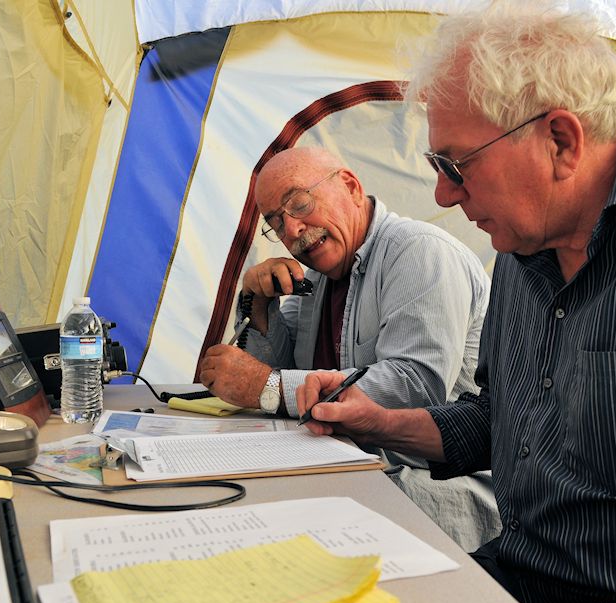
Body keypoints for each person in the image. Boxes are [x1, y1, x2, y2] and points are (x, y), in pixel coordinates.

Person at [295, 7, 616, 603]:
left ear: (560, 141)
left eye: (456, 165)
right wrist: (379, 423)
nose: (443, 196)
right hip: (511, 587)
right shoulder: (520, 253)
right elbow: (503, 422)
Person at [199, 147, 497, 550]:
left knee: (251, 529)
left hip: (428, 485)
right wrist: (258, 302)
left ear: (351, 187)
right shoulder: (320, 277)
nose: (292, 230)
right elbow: (276, 377)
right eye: (276, 222)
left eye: (299, 204)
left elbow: (415, 388)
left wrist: (268, 387)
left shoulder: (419, 252)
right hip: (346, 472)